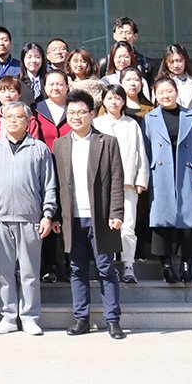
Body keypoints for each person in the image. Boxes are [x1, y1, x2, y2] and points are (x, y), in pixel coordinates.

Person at [0, 101, 58, 336]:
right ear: (2, 121)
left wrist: (48, 214)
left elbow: (49, 185)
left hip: (30, 219)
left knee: (30, 272)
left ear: (28, 121)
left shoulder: (39, 149)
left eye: (19, 117)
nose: (13, 120)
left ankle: (30, 316)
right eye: (8, 117)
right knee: (3, 271)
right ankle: (8, 316)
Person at [54, 91, 126, 339]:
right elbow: (57, 184)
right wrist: (56, 216)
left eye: (81, 112)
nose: (76, 117)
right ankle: (81, 318)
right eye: (71, 112)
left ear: (92, 114)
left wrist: (116, 212)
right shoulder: (60, 144)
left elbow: (116, 179)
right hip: (72, 217)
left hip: (101, 217)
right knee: (77, 269)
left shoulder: (107, 142)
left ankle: (112, 320)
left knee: (106, 268)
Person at [142, 76, 192, 285]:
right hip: (160, 174)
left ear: (176, 92)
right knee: (161, 221)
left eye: (169, 91)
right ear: (155, 95)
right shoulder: (150, 118)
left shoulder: (191, 116)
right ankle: (166, 266)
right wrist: (144, 176)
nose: (165, 95)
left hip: (186, 172)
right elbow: (144, 150)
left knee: (187, 221)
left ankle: (186, 266)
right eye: (160, 92)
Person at [94, 85, 149, 283]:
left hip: (127, 182)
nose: (114, 102)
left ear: (124, 101)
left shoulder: (132, 124)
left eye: (118, 98)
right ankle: (106, 266)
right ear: (103, 101)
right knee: (104, 226)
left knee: (128, 226)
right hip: (102, 184)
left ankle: (128, 265)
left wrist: (141, 178)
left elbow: (141, 152)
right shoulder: (96, 123)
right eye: (110, 98)